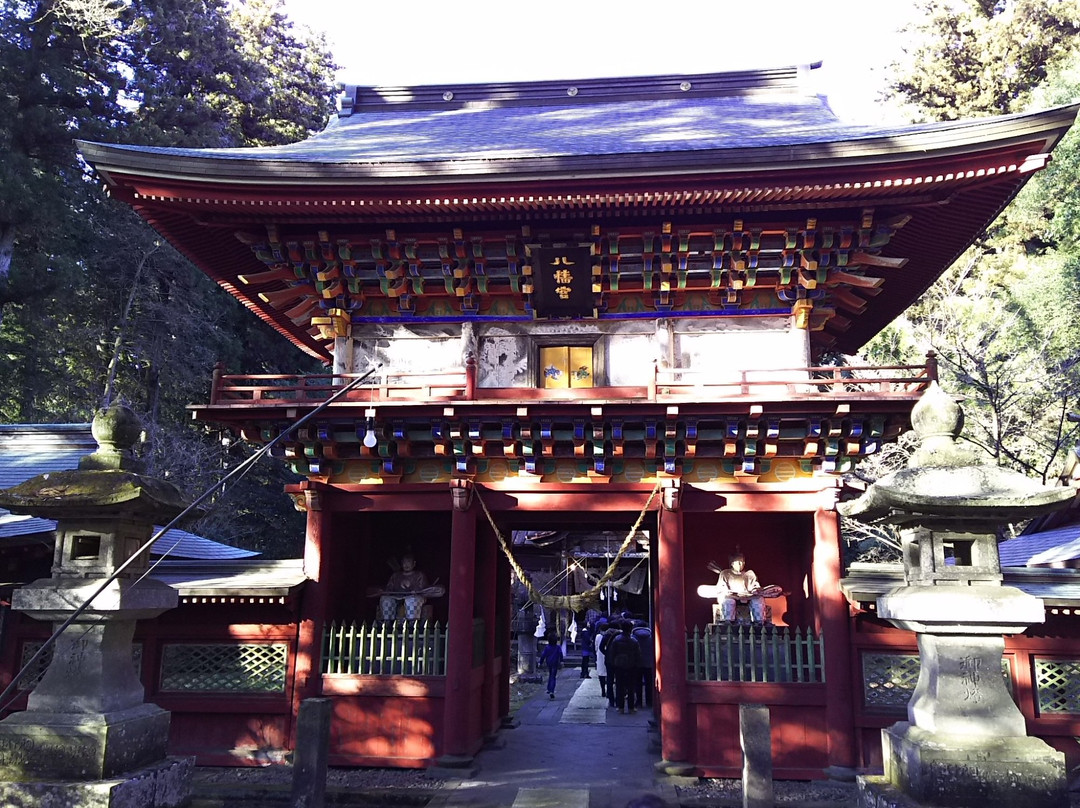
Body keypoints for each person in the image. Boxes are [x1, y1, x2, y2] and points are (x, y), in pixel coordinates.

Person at [377, 553, 442, 621]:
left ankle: (412, 624)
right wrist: (386, 592)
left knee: (412, 600)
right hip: (396, 596)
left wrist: (415, 591)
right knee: (385, 599)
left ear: (414, 563)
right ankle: (387, 623)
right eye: (404, 562)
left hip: (413, 596)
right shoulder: (396, 575)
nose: (406, 565)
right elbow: (389, 588)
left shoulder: (419, 575)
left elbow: (423, 589)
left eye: (408, 562)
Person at [716, 551, 765, 624]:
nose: (740, 564)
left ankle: (759, 621)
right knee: (728, 601)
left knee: (759, 599)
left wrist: (755, 590)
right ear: (732, 563)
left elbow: (755, 585)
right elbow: (722, 587)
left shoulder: (750, 573)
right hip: (731, 596)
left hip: (747, 596)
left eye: (742, 562)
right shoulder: (725, 573)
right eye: (737, 562)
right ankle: (728, 621)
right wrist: (729, 592)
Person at [606, 620, 642, 714]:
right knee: (631, 687)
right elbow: (638, 654)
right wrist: (637, 664)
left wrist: (613, 663)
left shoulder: (616, 640)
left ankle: (620, 707)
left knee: (619, 686)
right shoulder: (634, 641)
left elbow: (612, 653)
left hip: (619, 665)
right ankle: (631, 707)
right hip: (631, 665)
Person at [537, 634, 564, 699]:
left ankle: (549, 689)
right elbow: (561, 654)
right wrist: (561, 661)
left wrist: (540, 662)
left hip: (549, 662)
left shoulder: (547, 647)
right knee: (553, 676)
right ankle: (551, 690)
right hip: (555, 662)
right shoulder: (558, 647)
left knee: (550, 675)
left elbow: (543, 655)